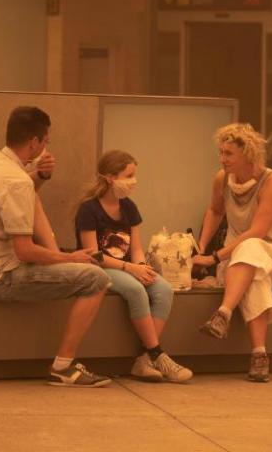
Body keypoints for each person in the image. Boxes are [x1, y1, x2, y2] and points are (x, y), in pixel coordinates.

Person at [0, 106, 112, 388]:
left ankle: (64, 257)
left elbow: (20, 196)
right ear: (34, 142)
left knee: (31, 198)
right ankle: (63, 367)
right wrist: (70, 258)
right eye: (45, 140)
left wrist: (39, 177)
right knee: (97, 279)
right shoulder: (16, 181)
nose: (46, 146)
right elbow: (24, 251)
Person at [192, 123, 272, 382]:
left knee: (250, 247)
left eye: (228, 154)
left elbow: (258, 232)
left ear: (247, 154)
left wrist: (215, 257)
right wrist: (200, 248)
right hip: (240, 263)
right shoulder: (222, 178)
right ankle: (259, 355)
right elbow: (215, 211)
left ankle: (223, 313)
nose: (222, 159)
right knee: (254, 277)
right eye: (221, 152)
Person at [75, 150, 192, 383]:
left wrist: (141, 266)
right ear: (110, 178)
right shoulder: (88, 209)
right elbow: (94, 255)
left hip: (129, 266)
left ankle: (143, 360)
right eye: (128, 176)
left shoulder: (129, 207)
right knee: (135, 290)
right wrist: (130, 269)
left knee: (163, 289)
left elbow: (136, 247)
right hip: (101, 269)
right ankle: (158, 354)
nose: (133, 182)